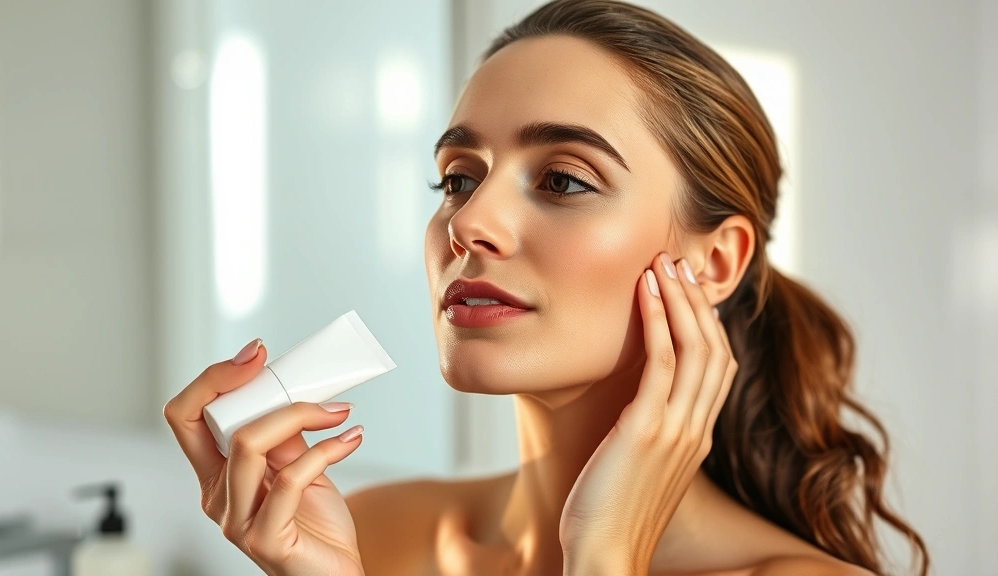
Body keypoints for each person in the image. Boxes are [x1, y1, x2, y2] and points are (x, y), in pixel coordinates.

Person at [163, 1, 930, 574]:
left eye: (563, 179)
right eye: (458, 178)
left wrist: (604, 556)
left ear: (717, 262)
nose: (469, 223)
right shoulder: (373, 538)